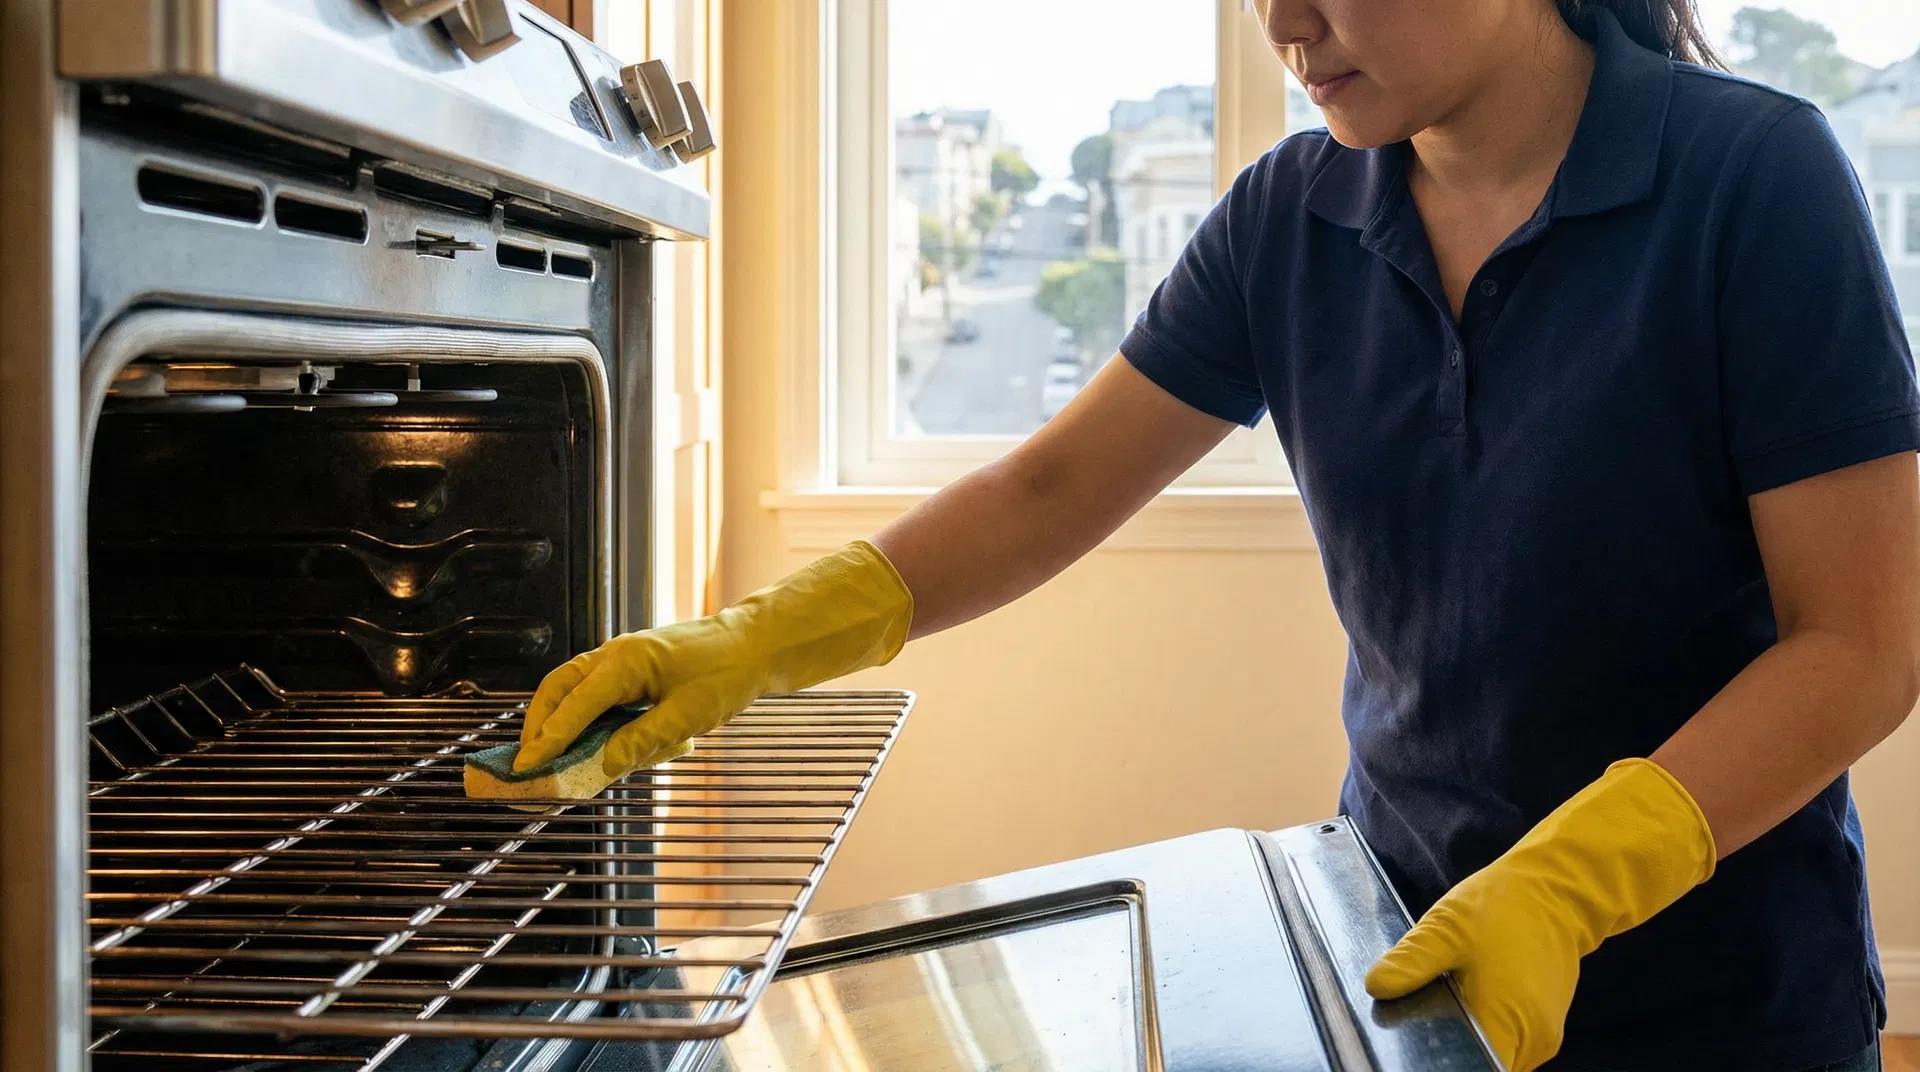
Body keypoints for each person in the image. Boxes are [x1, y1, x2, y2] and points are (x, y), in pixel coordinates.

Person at [511, 0, 1920, 1068]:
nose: (1285, 23)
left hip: (1725, 981)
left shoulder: (1750, 177)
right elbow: (1049, 495)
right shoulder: (1286, 218)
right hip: (1403, 936)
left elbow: (1859, 643)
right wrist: (753, 644)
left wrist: (1570, 883)